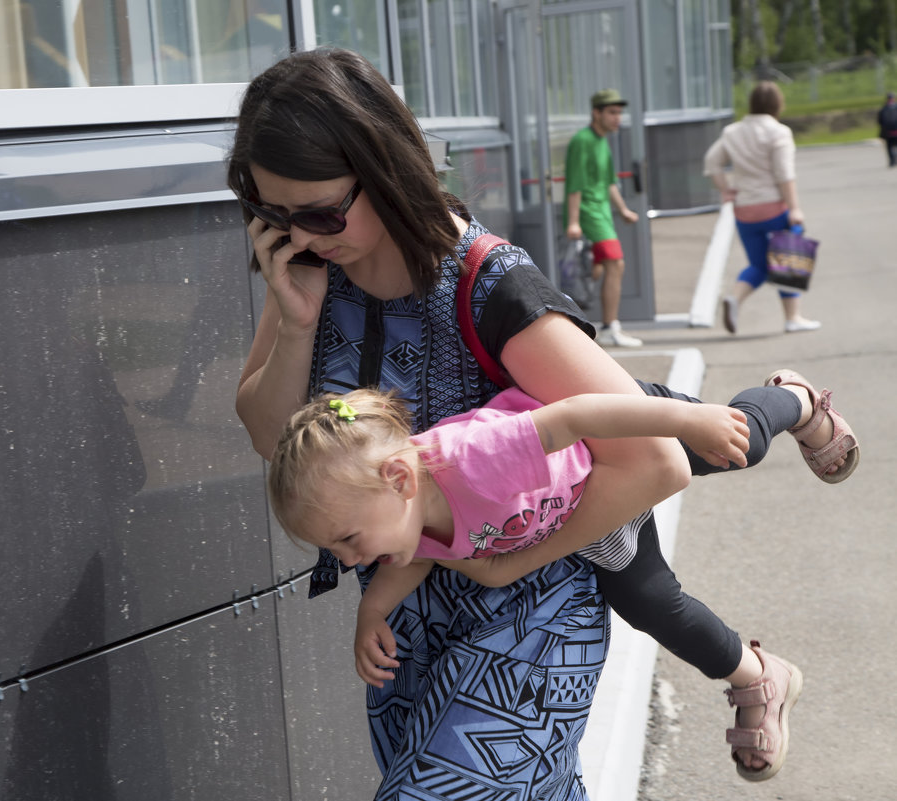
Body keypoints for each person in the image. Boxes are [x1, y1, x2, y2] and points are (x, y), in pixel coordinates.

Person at [228, 49, 858, 793]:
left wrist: (508, 562)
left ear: (383, 164)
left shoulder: (489, 284)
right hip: (412, 620)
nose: (299, 234)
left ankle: (792, 405)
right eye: (275, 216)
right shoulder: (307, 272)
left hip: (533, 612)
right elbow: (277, 443)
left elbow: (654, 460)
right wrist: (297, 325)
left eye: (320, 211)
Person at [267, 385, 751, 686]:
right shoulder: (406, 528)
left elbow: (574, 415)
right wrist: (371, 612)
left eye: (348, 539)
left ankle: (793, 402)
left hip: (618, 440)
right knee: (653, 605)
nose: (349, 561)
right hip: (593, 517)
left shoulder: (475, 458)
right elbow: (417, 561)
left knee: (742, 441)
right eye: (334, 550)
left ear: (400, 479)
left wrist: (687, 420)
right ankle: (750, 674)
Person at [704, 81, 821, 335]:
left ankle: (734, 298)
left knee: (759, 264)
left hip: (745, 210)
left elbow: (712, 162)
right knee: (787, 261)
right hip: (773, 208)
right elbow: (784, 174)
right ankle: (793, 318)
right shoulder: (779, 132)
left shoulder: (732, 132)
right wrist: (795, 208)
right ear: (778, 104)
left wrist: (726, 189)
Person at [564, 88, 642, 347]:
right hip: (589, 213)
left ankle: (572, 319)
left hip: (603, 213)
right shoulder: (582, 141)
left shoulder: (602, 141)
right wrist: (573, 221)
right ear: (595, 113)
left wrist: (623, 211)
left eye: (619, 113)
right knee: (615, 264)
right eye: (611, 112)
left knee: (594, 271)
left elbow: (609, 183)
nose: (617, 118)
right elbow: (573, 185)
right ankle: (610, 326)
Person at [877, 91, 897, 168]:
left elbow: (880, 121)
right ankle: (894, 158)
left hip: (887, 132)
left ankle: (892, 160)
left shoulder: (883, 109)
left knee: (889, 147)